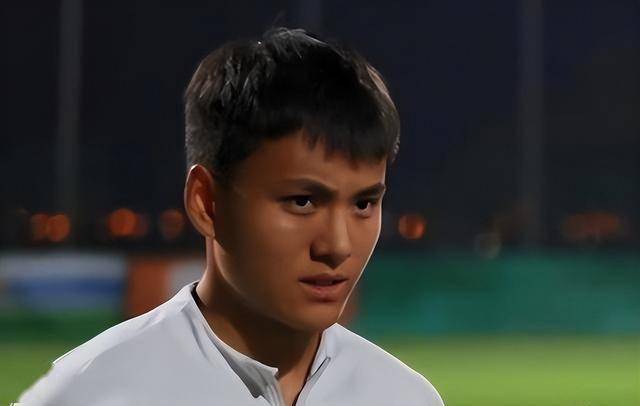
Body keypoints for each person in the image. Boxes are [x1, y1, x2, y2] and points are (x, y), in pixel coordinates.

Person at [19, 27, 444, 406]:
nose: (338, 245)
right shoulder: (88, 395)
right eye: (302, 201)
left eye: (364, 204)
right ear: (206, 203)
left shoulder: (406, 397)